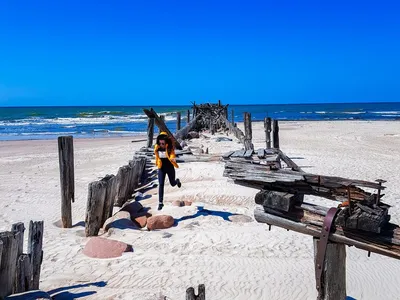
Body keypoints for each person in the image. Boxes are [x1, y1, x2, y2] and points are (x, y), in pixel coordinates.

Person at [154, 131, 182, 210]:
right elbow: (156, 155)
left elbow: (173, 154)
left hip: (169, 168)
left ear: (166, 141)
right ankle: (160, 203)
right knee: (161, 184)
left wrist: (173, 158)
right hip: (161, 168)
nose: (161, 144)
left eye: (163, 142)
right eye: (160, 142)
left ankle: (177, 181)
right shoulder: (157, 147)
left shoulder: (169, 147)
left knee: (172, 183)